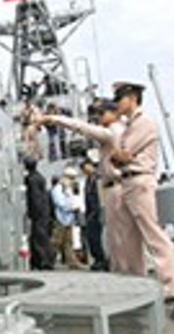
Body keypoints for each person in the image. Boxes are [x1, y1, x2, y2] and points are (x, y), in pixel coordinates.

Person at [32, 98, 126, 273]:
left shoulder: (112, 132)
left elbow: (81, 127)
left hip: (115, 190)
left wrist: (52, 119)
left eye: (101, 113)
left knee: (119, 238)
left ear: (113, 113)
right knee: (115, 237)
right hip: (107, 194)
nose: (97, 118)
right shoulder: (120, 131)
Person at [110, 82, 174, 302]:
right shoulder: (130, 125)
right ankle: (137, 286)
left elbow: (122, 155)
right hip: (129, 182)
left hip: (140, 182)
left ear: (132, 98)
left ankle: (169, 287)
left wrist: (118, 156)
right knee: (129, 240)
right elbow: (119, 156)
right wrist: (119, 156)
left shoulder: (144, 123)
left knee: (154, 237)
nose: (116, 104)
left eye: (119, 99)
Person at [23, 155, 54, 270]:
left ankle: (43, 261)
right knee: (42, 236)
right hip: (44, 211)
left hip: (38, 212)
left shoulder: (32, 179)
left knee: (39, 237)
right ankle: (41, 260)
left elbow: (35, 197)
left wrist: (32, 212)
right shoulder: (39, 177)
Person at [50, 166, 84, 268]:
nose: (72, 180)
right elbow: (60, 203)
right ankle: (49, 260)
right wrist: (72, 207)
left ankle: (72, 262)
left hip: (69, 219)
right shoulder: (58, 189)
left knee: (68, 242)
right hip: (60, 219)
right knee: (56, 241)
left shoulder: (69, 189)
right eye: (71, 177)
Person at [80, 156, 108, 270]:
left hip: (97, 211)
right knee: (91, 237)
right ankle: (97, 258)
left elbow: (101, 197)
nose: (84, 170)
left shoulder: (98, 178)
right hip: (90, 212)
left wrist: (99, 211)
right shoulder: (88, 180)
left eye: (85, 167)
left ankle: (102, 259)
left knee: (98, 237)